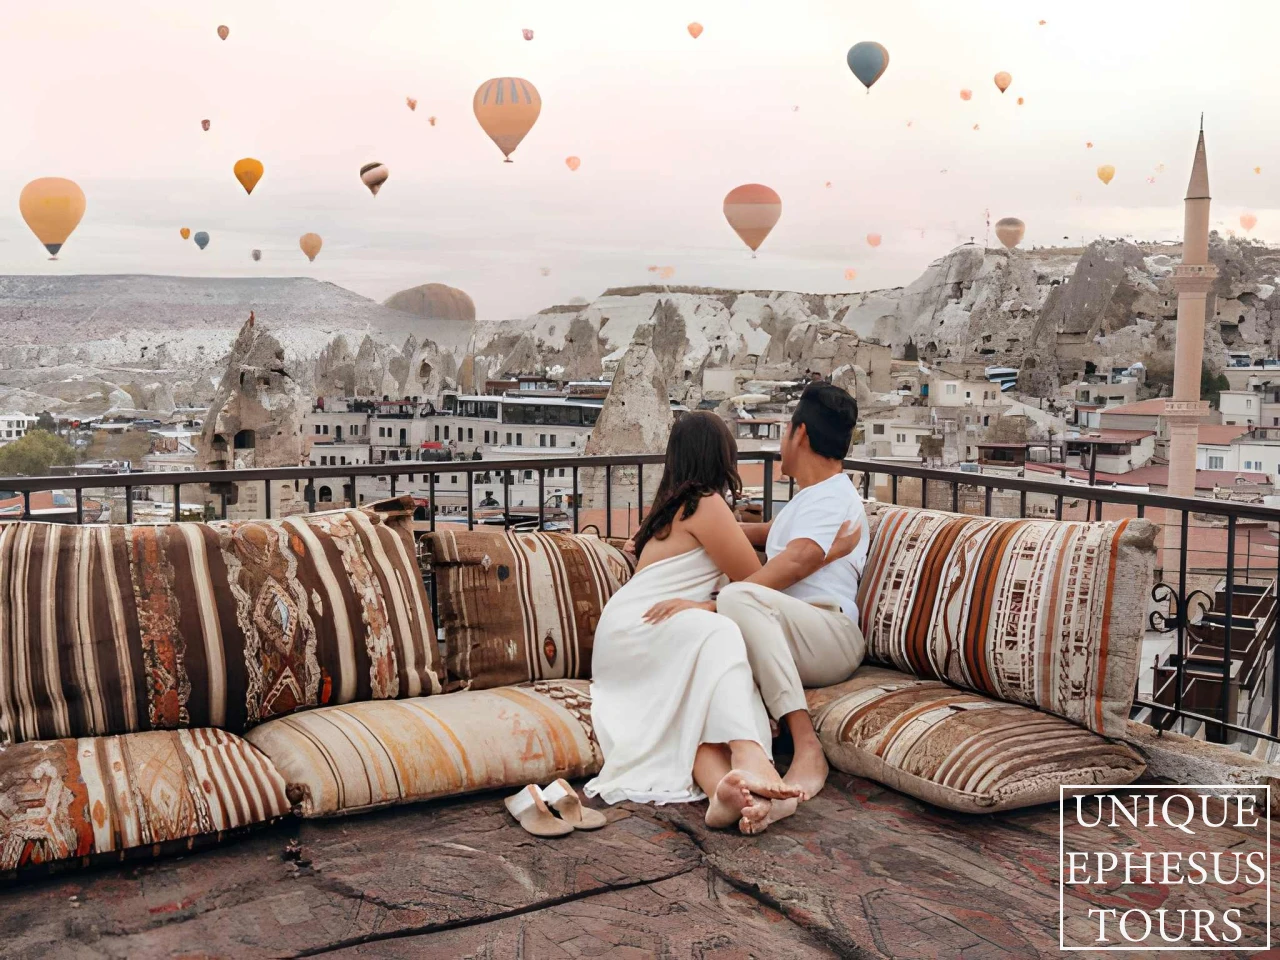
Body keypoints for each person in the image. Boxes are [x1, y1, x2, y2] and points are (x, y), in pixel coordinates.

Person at [585, 412, 853, 835]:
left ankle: (727, 793)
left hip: (628, 634)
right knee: (724, 631)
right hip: (651, 623)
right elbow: (752, 587)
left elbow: (740, 548)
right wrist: (832, 549)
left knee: (701, 705)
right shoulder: (708, 505)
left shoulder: (667, 511)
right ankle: (752, 758)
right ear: (721, 457)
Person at [715, 381, 868, 801]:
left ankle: (807, 745)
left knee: (732, 600)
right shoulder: (811, 500)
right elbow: (766, 535)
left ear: (799, 433)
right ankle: (754, 779)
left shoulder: (834, 496)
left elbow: (800, 557)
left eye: (783, 433)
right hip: (793, 631)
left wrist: (715, 605)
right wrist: (687, 526)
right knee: (712, 647)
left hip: (829, 633)